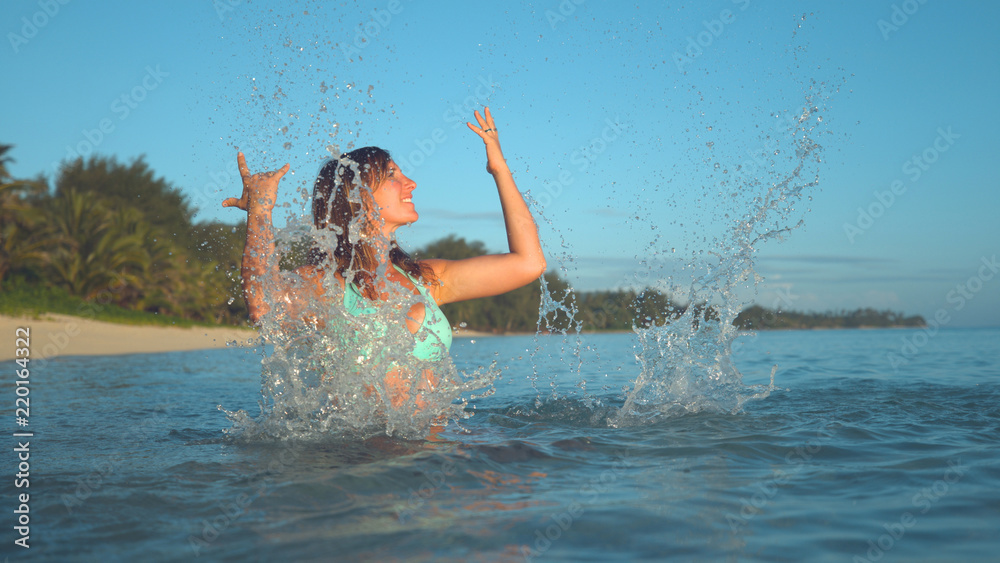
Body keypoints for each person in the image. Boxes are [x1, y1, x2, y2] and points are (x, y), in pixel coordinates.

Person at [223, 107, 545, 412]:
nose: (411, 183)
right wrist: (260, 211)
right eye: (393, 175)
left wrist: (499, 169)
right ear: (360, 197)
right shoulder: (327, 285)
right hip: (370, 459)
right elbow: (262, 304)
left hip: (439, 452)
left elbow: (529, 263)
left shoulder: (425, 278)